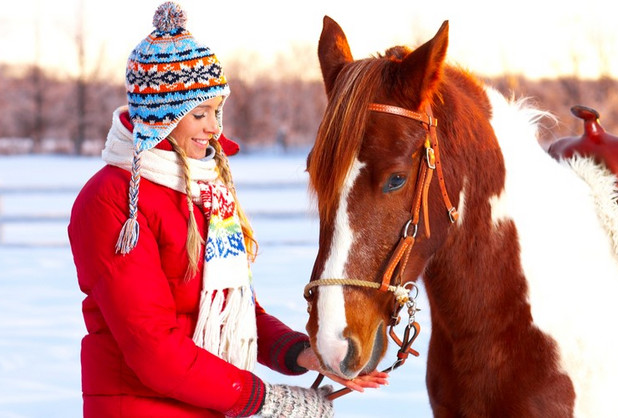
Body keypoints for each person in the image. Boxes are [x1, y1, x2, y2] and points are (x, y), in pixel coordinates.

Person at [68, 3, 387, 417]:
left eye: (218, 111)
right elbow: (152, 348)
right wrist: (264, 400)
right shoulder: (112, 201)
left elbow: (234, 312)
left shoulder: (207, 192)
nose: (215, 127)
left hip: (207, 404)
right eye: (199, 113)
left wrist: (301, 355)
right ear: (160, 118)